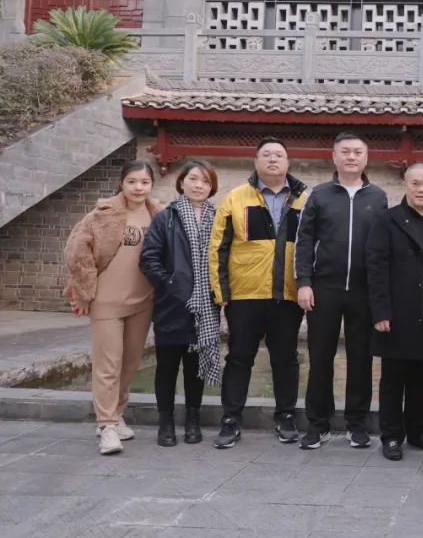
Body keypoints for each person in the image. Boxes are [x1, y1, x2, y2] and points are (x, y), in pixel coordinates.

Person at [208, 136, 308, 449]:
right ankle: (230, 419)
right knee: (239, 358)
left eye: (279, 155)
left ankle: (286, 415)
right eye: (266, 155)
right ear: (255, 162)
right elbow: (218, 248)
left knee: (286, 359)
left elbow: (313, 247)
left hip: (287, 294)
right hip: (244, 295)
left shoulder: (305, 200)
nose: (273, 159)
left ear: (288, 162)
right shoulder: (235, 198)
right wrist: (221, 291)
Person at [294, 132, 387, 451]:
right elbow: (304, 241)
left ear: (366, 158)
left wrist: (380, 294)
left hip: (363, 291)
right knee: (320, 357)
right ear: (333, 157)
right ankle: (317, 424)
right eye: (345, 152)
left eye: (357, 152)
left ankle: (357, 424)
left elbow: (382, 248)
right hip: (325, 288)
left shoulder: (378, 197)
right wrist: (304, 282)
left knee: (361, 359)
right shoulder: (319, 195)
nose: (351, 157)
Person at [64, 160, 163, 455]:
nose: (138, 188)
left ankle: (117, 414)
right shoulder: (102, 214)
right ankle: (106, 425)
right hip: (106, 301)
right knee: (107, 365)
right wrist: (83, 289)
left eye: (144, 182)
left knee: (130, 364)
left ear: (151, 185)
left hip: (143, 301)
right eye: (132, 181)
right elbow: (76, 250)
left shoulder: (159, 215)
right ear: (121, 183)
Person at [367, 163, 423, 461]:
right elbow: (376, 268)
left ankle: (417, 432)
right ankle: (392, 436)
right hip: (396, 314)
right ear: (405, 185)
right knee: (393, 380)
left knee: (421, 380)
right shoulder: (387, 220)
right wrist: (380, 311)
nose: (421, 189)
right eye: (415, 183)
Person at [139, 159, 221, 447]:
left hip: (206, 307)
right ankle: (166, 422)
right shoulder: (166, 218)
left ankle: (193, 420)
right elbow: (149, 259)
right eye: (193, 179)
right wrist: (170, 285)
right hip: (172, 304)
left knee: (195, 367)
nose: (199, 185)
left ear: (212, 187)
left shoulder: (219, 218)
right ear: (181, 182)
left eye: (205, 181)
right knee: (167, 366)